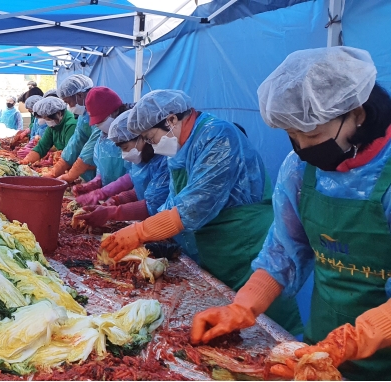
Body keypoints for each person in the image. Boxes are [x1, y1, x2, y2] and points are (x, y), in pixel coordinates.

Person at [192, 47, 391, 380]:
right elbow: (284, 251)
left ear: (357, 113)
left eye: (311, 134)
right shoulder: (300, 170)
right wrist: (243, 306)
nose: (302, 147)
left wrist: (351, 341)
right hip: (322, 341)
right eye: (292, 136)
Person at [99, 89, 302, 335]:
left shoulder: (219, 137)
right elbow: (173, 202)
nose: (151, 145)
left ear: (171, 119)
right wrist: (147, 239)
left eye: (151, 138)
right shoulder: (178, 150)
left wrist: (141, 231)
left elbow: (194, 206)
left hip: (247, 248)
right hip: (215, 249)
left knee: (268, 335)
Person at [73, 110, 170, 227]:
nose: (124, 154)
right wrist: (115, 201)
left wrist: (112, 212)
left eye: (125, 147)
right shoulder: (142, 161)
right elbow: (141, 190)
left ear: (142, 138)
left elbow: (154, 205)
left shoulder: (164, 162)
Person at [58, 86, 127, 183]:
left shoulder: (131, 134)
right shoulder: (103, 137)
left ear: (114, 111)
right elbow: (101, 166)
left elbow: (132, 175)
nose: (97, 126)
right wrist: (97, 183)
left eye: (100, 121)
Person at [49, 74, 96, 180]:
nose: (69, 107)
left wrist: (71, 175)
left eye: (68, 102)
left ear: (79, 95)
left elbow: (90, 148)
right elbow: (75, 143)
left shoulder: (100, 115)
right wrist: (55, 172)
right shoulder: (83, 116)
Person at [19, 97, 76, 166]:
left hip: (74, 166)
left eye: (48, 119)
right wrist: (25, 161)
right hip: (64, 162)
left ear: (59, 113)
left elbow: (70, 154)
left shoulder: (71, 125)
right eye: (45, 119)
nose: (48, 122)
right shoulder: (54, 125)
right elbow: (42, 146)